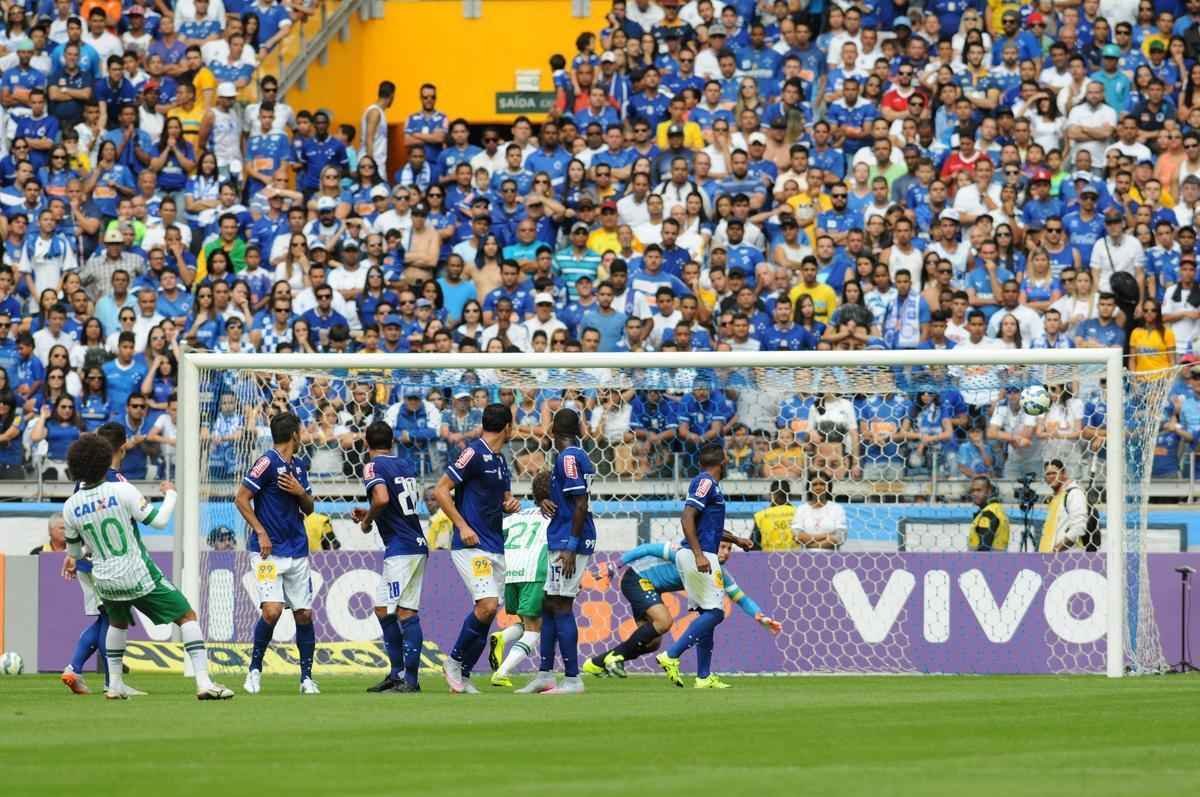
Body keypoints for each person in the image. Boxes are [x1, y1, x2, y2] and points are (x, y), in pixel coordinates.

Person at [61, 433, 233, 700]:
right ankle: (204, 682)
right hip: (136, 572)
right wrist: (172, 495)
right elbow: (160, 521)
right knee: (187, 616)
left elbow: (74, 551)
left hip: (104, 578)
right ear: (105, 459)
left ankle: (115, 685)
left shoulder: (70, 506)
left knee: (117, 623)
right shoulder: (120, 489)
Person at [581, 534, 777, 679]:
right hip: (637, 578)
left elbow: (740, 597)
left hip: (651, 588)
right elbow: (648, 548)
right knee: (664, 621)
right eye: (722, 547)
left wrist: (760, 616)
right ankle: (615, 657)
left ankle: (596, 663)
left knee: (652, 643)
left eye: (729, 549)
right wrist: (616, 565)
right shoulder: (686, 554)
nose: (725, 552)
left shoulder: (720, 573)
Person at [432, 403, 520, 694]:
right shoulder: (472, 453)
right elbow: (440, 490)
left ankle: (464, 674)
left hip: (496, 544)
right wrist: (462, 526)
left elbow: (504, 499)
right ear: (507, 427)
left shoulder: (500, 460)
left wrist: (510, 505)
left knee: (488, 611)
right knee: (487, 605)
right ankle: (454, 662)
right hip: (471, 545)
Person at [233, 411, 318, 695]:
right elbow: (241, 498)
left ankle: (306, 678)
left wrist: (299, 492)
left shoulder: (299, 467)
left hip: (297, 550)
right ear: (294, 434)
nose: (303, 434)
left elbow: (309, 508)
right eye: (301, 430)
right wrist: (260, 530)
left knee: (304, 614)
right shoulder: (266, 462)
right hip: (267, 552)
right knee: (272, 611)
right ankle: (254, 671)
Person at [517, 408, 596, 695]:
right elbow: (565, 499)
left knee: (561, 605)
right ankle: (545, 675)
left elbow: (581, 504)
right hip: (561, 537)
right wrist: (545, 501)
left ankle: (573, 679)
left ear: (553, 431)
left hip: (569, 541)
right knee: (550, 604)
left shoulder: (570, 457)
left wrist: (572, 547)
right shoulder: (568, 457)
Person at [353, 420, 427, 694]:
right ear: (392, 442)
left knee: (388, 610)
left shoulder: (372, 466)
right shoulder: (405, 464)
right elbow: (393, 502)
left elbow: (382, 499)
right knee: (402, 610)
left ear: (366, 443)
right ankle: (402, 677)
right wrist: (371, 511)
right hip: (416, 542)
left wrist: (367, 521)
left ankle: (404, 677)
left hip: (401, 549)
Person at [655, 442, 732, 689]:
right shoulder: (705, 482)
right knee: (716, 612)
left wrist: (737, 539)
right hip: (698, 555)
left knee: (706, 613)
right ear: (724, 461)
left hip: (700, 552)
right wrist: (699, 555)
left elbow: (708, 526)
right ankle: (672, 654)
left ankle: (703, 676)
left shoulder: (711, 486)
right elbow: (687, 516)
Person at [487, 470, 552, 688]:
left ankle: (503, 636)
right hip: (534, 571)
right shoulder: (554, 516)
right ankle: (502, 672)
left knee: (529, 621)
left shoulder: (516, 517)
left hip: (510, 573)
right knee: (534, 630)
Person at [1038, 458, 1094, 552]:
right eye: (1048, 474)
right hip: (1048, 557)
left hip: (1067, 557)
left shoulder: (1074, 493)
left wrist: (1057, 550)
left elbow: (1079, 527)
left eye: (1054, 473)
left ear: (1064, 473)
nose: (1051, 476)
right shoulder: (1054, 497)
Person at [790, 471, 848, 549]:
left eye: (822, 484)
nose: (818, 487)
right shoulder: (802, 509)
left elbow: (840, 537)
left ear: (828, 486)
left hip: (831, 557)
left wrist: (810, 544)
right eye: (814, 484)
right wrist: (826, 536)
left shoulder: (837, 508)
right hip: (806, 557)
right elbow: (797, 536)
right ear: (809, 488)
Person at [967, 476, 1010, 552]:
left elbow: (984, 548)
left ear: (989, 491)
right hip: (999, 560)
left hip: (984, 562)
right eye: (972, 491)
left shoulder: (988, 513)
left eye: (979, 490)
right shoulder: (998, 509)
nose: (974, 494)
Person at [751, 479, 797, 550]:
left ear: (771, 495)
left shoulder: (761, 515)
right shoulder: (798, 512)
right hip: (795, 558)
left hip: (768, 558)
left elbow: (753, 545)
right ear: (789, 495)